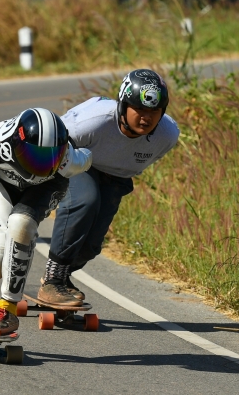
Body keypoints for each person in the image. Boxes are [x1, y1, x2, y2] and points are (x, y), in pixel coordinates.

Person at [0, 107, 92, 335]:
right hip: (0, 182)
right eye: (35, 156)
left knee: (21, 224)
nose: (42, 165)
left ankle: (7, 308)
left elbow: (89, 157)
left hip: (48, 187)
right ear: (15, 145)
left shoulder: (70, 159)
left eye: (51, 157)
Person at [38, 68, 180, 304]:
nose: (147, 117)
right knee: (85, 200)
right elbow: (52, 144)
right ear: (123, 106)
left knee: (91, 246)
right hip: (76, 159)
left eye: (154, 111)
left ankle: (60, 278)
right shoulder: (92, 123)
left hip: (116, 176)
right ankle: (53, 281)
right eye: (140, 109)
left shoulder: (167, 134)